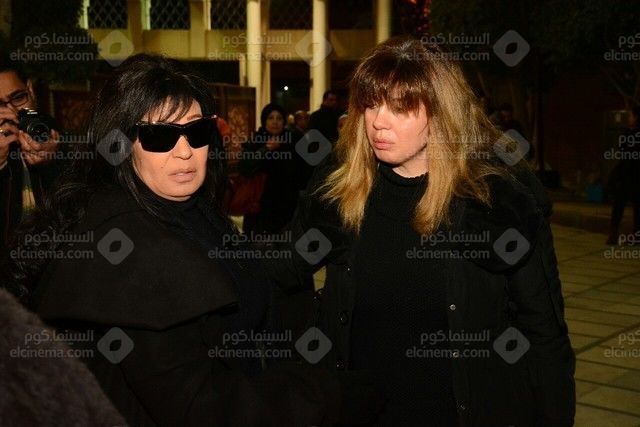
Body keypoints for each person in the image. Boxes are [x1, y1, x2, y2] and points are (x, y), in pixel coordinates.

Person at [3, 54, 381, 427]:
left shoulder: (189, 208)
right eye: (159, 135)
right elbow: (203, 407)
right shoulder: (126, 245)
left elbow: (245, 289)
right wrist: (330, 394)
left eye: (197, 132)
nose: (184, 151)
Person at [266, 37, 575, 426]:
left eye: (401, 107)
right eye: (371, 104)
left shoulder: (495, 203)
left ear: (441, 114)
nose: (379, 121)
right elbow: (279, 270)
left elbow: (544, 334)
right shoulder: (340, 191)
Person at [0, 55, 61, 249]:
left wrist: (51, 163)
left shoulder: (55, 133)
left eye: (18, 98)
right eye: (0, 105)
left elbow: (74, 214)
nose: (11, 112)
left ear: (31, 90)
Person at [240, 103, 300, 234]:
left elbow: (301, 172)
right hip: (260, 206)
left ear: (284, 122)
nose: (275, 122)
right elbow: (244, 167)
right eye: (271, 118)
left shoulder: (292, 141)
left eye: (279, 118)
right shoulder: (256, 140)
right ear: (264, 121)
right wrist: (266, 149)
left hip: (287, 206)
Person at [607, 106, 640, 245]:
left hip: (632, 175)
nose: (629, 118)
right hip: (628, 175)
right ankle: (616, 234)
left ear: (636, 117)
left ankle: (630, 235)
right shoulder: (628, 133)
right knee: (623, 204)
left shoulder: (631, 134)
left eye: (631, 115)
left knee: (625, 204)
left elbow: (625, 151)